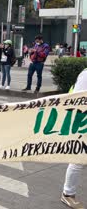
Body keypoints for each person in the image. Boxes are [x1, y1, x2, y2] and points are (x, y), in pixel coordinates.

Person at [60, 70, 86, 209]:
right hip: (83, 123)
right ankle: (68, 194)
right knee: (78, 160)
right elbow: (78, 100)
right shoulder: (86, 75)